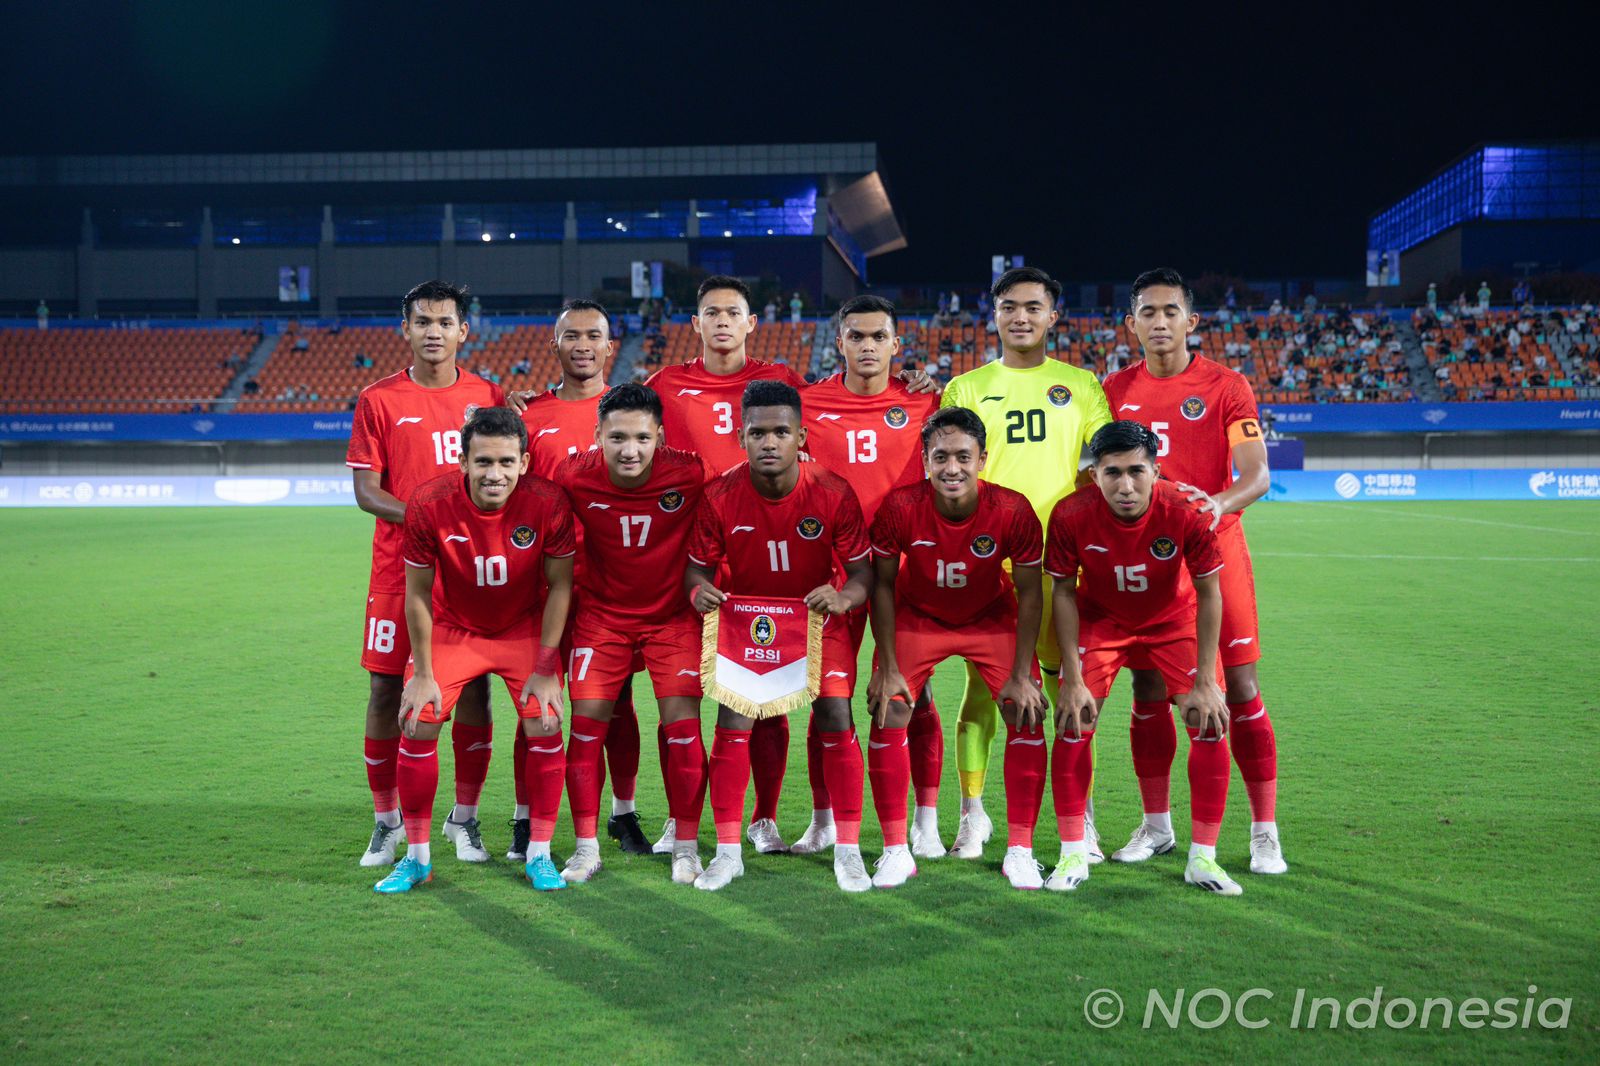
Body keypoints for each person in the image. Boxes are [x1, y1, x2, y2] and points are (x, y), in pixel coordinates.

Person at [1103, 267, 1285, 875]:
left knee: (1239, 688)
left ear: (1191, 320)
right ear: (1132, 324)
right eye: (1147, 312)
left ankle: (1264, 830)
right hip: (1142, 561)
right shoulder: (1111, 389)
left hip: (1213, 549)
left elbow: (1256, 474)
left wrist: (1218, 504)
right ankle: (1157, 826)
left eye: (1170, 311)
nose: (1159, 322)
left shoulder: (1226, 385)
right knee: (1147, 687)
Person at [938, 267, 1112, 861]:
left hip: (1061, 565)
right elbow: (949, 471)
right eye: (1009, 306)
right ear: (994, 314)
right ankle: (973, 814)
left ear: (1053, 315)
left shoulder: (1082, 385)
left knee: (1069, 689)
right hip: (990, 560)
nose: (1021, 317)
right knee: (986, 691)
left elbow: (1105, 461)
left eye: (1033, 307)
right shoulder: (965, 387)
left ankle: (1080, 817)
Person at [376, 406, 576, 893]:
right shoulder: (429, 502)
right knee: (419, 715)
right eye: (483, 462)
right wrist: (421, 672)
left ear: (525, 462)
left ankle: (540, 854)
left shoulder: (548, 503)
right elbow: (418, 593)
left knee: (545, 719)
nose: (495, 473)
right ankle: (418, 857)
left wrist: (548, 668)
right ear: (462, 461)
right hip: (454, 628)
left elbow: (561, 588)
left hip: (521, 629)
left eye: (507, 462)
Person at [684, 380, 874, 892]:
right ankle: (727, 853)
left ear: (801, 437)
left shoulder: (833, 491)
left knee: (836, 711)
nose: (769, 442)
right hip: (747, 621)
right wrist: (701, 593)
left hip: (816, 620)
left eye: (780, 432)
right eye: (758, 432)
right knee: (734, 717)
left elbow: (862, 573)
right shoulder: (720, 495)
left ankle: (849, 850)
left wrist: (844, 598)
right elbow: (695, 573)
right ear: (741, 437)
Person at [644, 276, 809, 855]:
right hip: (688, 562)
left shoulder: (782, 382)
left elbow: (826, 430)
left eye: (731, 312)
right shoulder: (665, 384)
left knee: (766, 692)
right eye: (710, 312)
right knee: (681, 698)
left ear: (750, 323)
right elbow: (627, 433)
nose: (720, 321)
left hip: (764, 558)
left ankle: (762, 818)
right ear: (695, 323)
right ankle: (679, 818)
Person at [346, 281, 502, 869]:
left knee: (475, 689)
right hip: (398, 570)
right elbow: (366, 492)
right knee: (386, 688)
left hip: (472, 572)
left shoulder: (488, 395)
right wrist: (425, 519)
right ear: (404, 329)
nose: (433, 331)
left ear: (465, 330)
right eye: (422, 321)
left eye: (445, 321)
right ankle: (386, 821)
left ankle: (464, 819)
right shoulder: (378, 399)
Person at [1046, 420, 1239, 895]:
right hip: (1102, 619)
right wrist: (1071, 677)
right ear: (1096, 475)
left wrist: (1208, 681)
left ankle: (1203, 858)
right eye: (1113, 473)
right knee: (1074, 717)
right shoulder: (1070, 514)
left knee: (1207, 715)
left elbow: (1210, 593)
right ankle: (1073, 850)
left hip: (1172, 620)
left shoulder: (1186, 511)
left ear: (1157, 471)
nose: (1126, 485)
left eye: (1137, 471)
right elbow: (1063, 594)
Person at [868, 407, 1046, 889]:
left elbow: (1031, 592)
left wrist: (1024, 671)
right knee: (889, 708)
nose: (952, 468)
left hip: (990, 616)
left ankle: (1021, 850)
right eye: (940, 456)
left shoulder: (1012, 509)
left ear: (982, 458)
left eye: (963, 457)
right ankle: (894, 851)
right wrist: (885, 664)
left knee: (1024, 709)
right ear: (924, 459)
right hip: (918, 615)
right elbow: (881, 586)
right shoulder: (900, 506)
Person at [788, 295, 941, 858]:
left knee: (911, 697)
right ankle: (824, 819)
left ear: (897, 345)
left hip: (907, 568)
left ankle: (925, 819)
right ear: (840, 342)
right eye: (857, 336)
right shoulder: (808, 404)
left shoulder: (924, 400)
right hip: (834, 573)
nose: (868, 346)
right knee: (828, 696)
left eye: (880, 337)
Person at [552, 384, 712, 885]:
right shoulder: (572, 477)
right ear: (597, 434)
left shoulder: (689, 473)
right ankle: (584, 848)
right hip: (601, 620)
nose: (630, 450)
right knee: (585, 729)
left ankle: (686, 845)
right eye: (617, 437)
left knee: (683, 730)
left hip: (672, 620)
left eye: (642, 438)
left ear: (659, 437)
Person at [512, 299, 652, 857]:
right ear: (555, 345)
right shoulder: (529, 417)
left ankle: (623, 814)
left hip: (612, 589)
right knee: (537, 707)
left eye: (594, 335)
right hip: (542, 589)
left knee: (616, 704)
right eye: (571, 335)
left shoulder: (632, 418)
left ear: (610, 346)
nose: (583, 344)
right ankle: (526, 819)